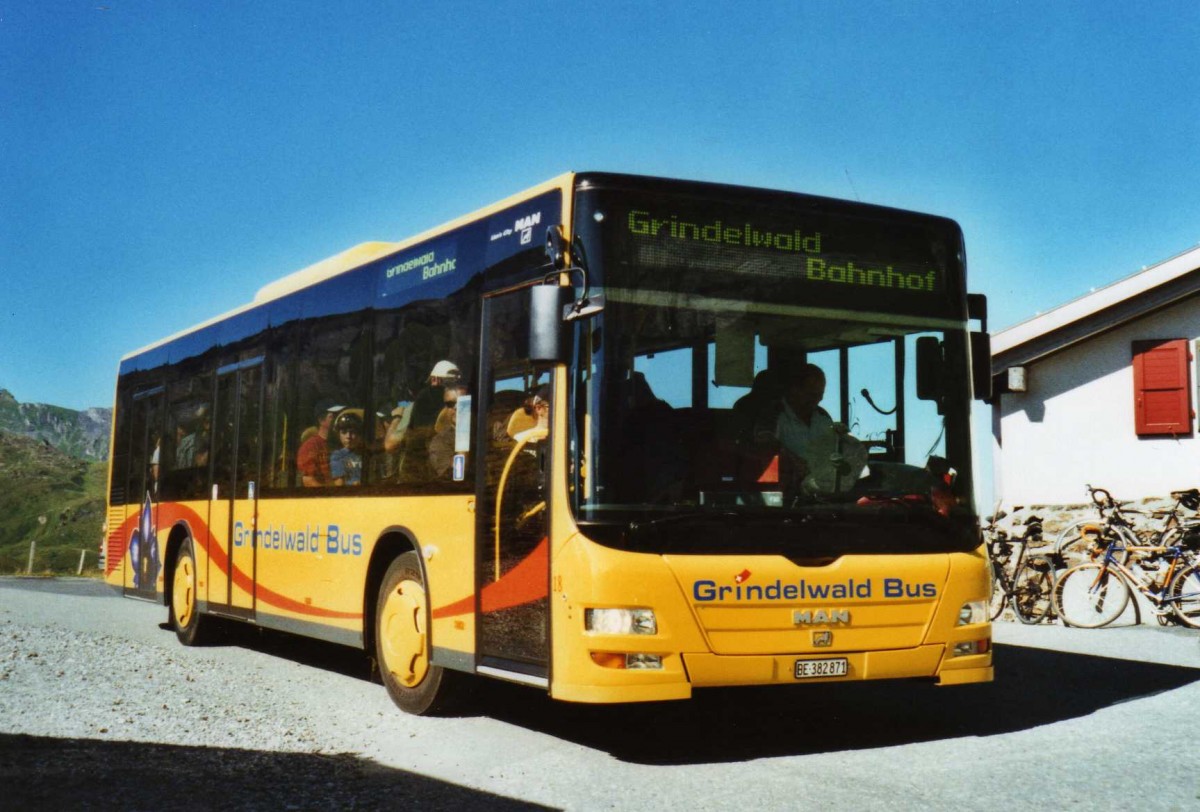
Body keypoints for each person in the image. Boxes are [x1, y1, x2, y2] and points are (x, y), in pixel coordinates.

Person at [775, 364, 866, 496]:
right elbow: (766, 445)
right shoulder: (774, 416)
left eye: (820, 394)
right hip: (787, 492)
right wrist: (793, 461)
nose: (818, 399)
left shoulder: (823, 420)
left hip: (824, 491)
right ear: (794, 389)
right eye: (811, 393)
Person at [297, 400, 341, 487]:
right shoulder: (310, 446)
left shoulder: (343, 444)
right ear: (321, 420)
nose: (337, 420)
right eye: (332, 417)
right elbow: (308, 480)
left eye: (338, 416)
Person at [330, 410, 364, 486]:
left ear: (360, 434)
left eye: (353, 432)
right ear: (338, 435)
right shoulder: (338, 456)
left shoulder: (367, 454)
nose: (348, 436)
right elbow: (339, 485)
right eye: (344, 432)